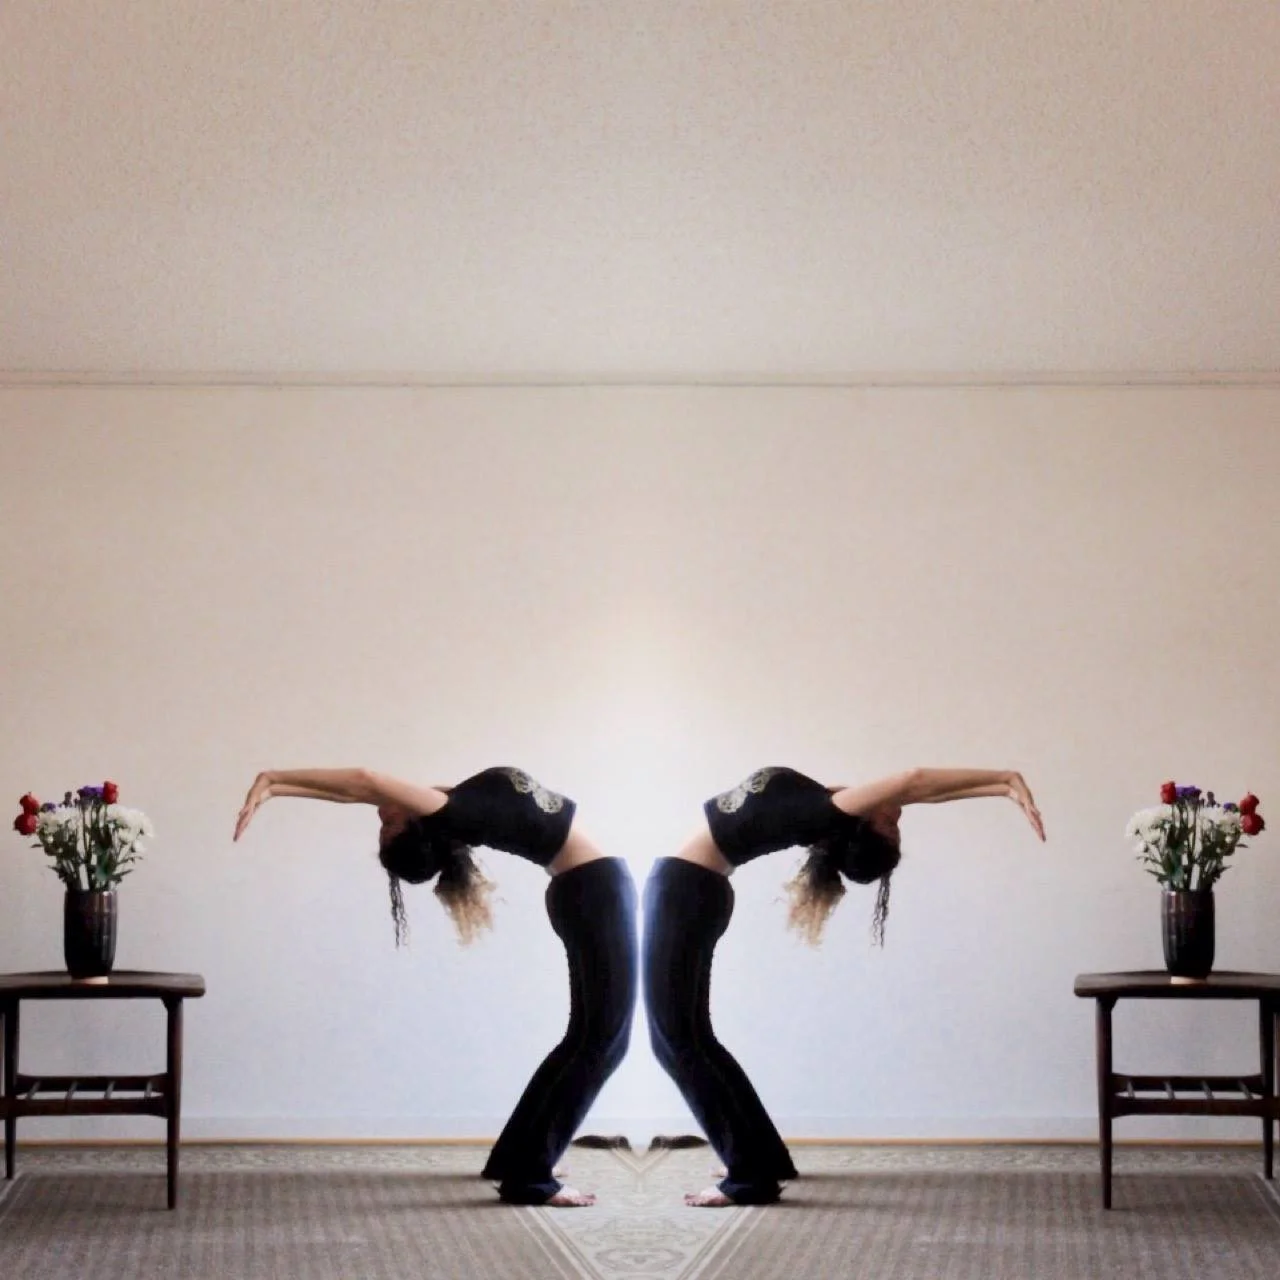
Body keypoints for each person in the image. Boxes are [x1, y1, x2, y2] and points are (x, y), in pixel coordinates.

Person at [233, 764, 637, 1207]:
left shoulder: (456, 804)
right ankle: (529, 1176)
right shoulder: (454, 811)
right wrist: (271, 779)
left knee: (586, 1038)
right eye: (389, 828)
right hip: (597, 890)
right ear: (417, 822)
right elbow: (364, 782)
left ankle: (515, 1159)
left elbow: (359, 794)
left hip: (587, 888)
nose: (381, 818)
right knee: (605, 1042)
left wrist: (278, 787)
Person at [642, 766, 1045, 1207]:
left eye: (890, 826)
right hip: (692, 889)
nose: (898, 817)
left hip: (682, 890)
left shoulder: (826, 811)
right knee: (693, 1039)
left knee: (675, 1042)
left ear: (862, 821)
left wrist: (1007, 779)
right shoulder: (822, 803)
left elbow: (914, 781)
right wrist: (1000, 787)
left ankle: (750, 1176)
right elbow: (919, 794)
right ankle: (763, 1159)